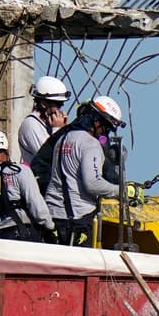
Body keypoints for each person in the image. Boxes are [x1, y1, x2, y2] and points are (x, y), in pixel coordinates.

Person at [44, 96, 125, 246]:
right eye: (105, 128)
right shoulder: (90, 144)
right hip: (76, 220)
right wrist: (123, 191)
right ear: (96, 121)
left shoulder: (63, 139)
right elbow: (93, 183)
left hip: (54, 215)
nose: (104, 133)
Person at [0, 129, 55, 242]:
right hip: (23, 233)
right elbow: (36, 205)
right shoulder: (20, 171)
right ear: (6, 148)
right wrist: (50, 226)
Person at [19, 76, 71, 163]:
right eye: (57, 105)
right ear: (43, 104)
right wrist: (58, 129)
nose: (59, 110)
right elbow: (50, 156)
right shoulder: (31, 124)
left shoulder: (49, 123)